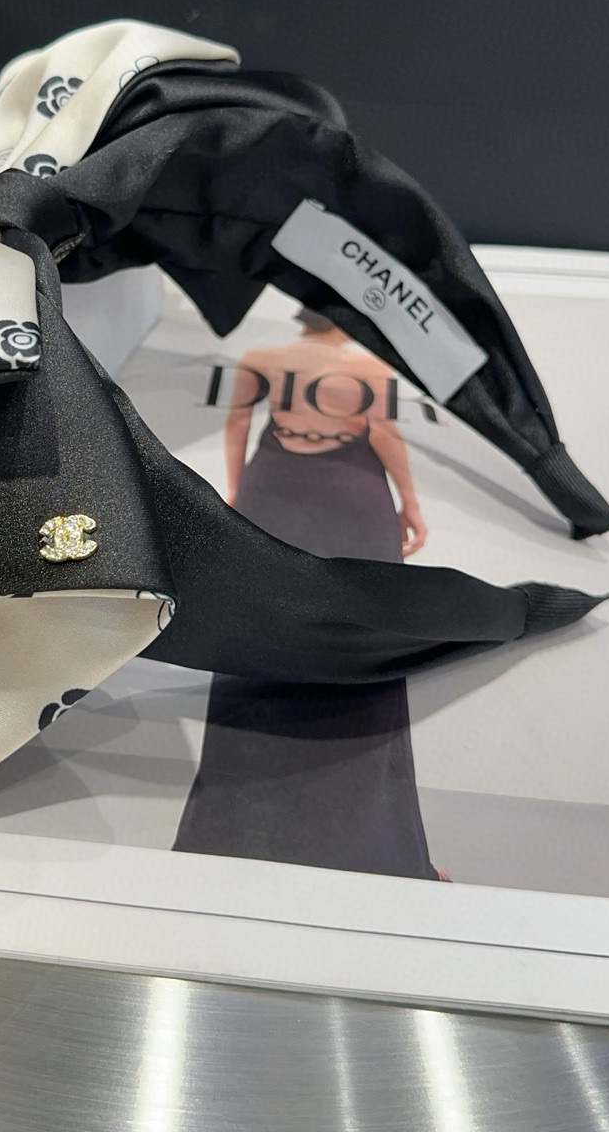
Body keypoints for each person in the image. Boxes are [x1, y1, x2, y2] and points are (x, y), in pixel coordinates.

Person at [171, 311, 441, 880]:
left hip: (277, 476)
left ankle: (228, 837)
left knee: (256, 632)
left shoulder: (263, 359)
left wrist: (239, 486)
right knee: (364, 639)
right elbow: (384, 435)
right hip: (348, 483)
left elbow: (237, 424)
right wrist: (410, 504)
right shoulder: (369, 368)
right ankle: (379, 846)